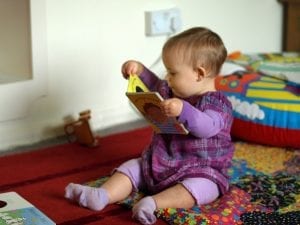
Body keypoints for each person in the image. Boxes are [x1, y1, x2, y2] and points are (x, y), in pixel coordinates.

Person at [65, 27, 234, 225]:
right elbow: (154, 86)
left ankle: (153, 203)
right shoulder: (172, 91)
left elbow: (207, 126)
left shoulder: (217, 104)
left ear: (199, 73)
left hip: (201, 168)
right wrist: (140, 70)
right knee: (131, 168)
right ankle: (102, 195)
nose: (167, 78)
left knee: (202, 188)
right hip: (160, 162)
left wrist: (184, 110)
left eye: (172, 72)